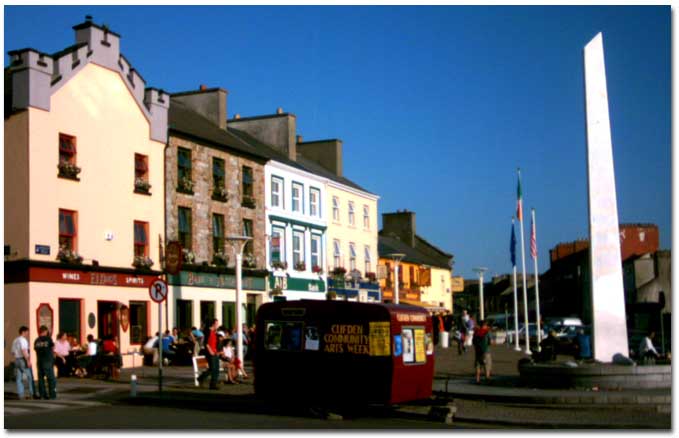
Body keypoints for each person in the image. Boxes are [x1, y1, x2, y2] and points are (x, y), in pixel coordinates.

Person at [11, 326, 36, 400]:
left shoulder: (15, 340)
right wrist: (28, 360)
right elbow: (24, 350)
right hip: (23, 360)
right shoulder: (23, 340)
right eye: (27, 332)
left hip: (17, 360)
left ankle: (21, 394)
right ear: (23, 332)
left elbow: (12, 352)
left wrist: (17, 356)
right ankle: (32, 393)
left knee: (19, 378)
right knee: (29, 377)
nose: (28, 333)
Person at [34, 325, 57, 399]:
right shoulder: (48, 339)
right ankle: (52, 395)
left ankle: (42, 395)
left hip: (39, 361)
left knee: (40, 379)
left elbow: (36, 350)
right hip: (47, 361)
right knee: (51, 379)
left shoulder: (36, 340)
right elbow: (53, 348)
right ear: (45, 331)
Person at [197, 319, 220, 390]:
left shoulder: (214, 332)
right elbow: (206, 343)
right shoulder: (208, 331)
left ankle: (210, 382)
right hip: (210, 352)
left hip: (215, 352)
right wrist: (210, 351)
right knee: (213, 368)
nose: (217, 325)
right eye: (216, 324)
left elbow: (215, 343)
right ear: (213, 324)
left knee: (216, 369)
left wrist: (216, 350)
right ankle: (211, 383)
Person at [472, 319, 492, 384]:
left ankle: (477, 380)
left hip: (477, 351)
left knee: (478, 365)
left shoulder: (476, 332)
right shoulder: (487, 332)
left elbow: (473, 341)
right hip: (486, 351)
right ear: (484, 325)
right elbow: (489, 342)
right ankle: (487, 379)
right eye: (486, 325)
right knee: (487, 365)